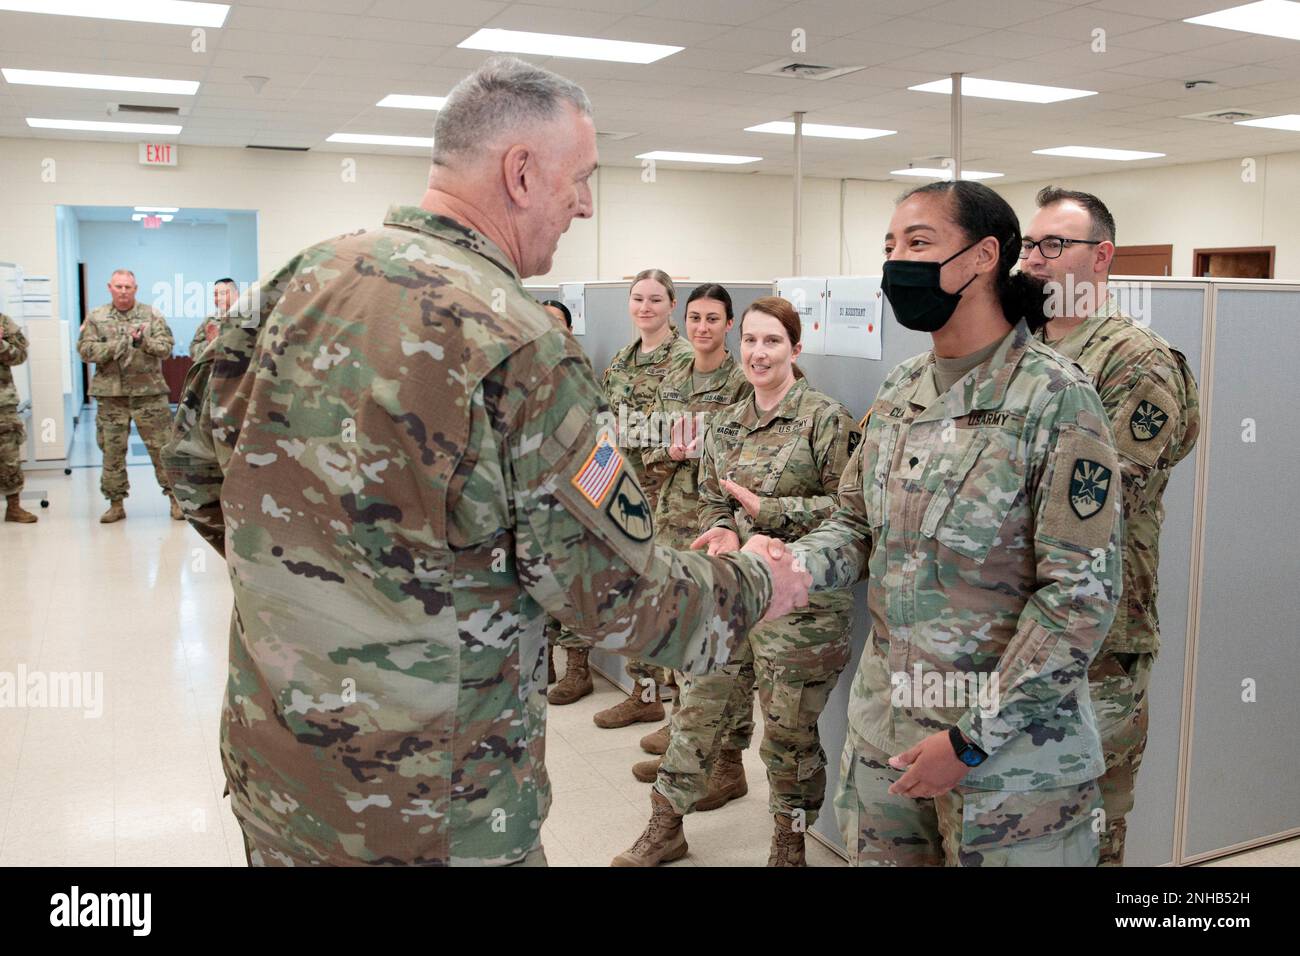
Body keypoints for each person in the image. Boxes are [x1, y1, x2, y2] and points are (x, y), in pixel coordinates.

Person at [163, 55, 810, 868]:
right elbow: (615, 599)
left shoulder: (295, 282)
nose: (584, 204)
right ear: (522, 171)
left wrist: (323, 584)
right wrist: (759, 584)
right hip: (434, 803)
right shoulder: (522, 345)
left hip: (280, 774)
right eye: (580, 179)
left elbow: (190, 472)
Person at [780, 180, 1122, 866]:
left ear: (983, 257)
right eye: (888, 246)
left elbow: (1078, 600)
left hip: (1010, 767)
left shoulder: (1056, 399)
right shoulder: (904, 389)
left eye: (918, 243)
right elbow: (854, 524)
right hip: (887, 737)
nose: (896, 262)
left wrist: (970, 740)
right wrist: (780, 569)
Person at [615, 295, 860, 867]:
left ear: (795, 348)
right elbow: (708, 498)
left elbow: (850, 516)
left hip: (800, 610)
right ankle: (665, 825)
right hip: (729, 596)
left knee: (789, 736)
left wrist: (769, 511)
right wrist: (723, 529)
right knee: (696, 707)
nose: (758, 352)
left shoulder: (826, 419)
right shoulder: (726, 422)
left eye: (772, 340)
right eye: (749, 340)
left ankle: (789, 843)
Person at [1022, 186, 1200, 866]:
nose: (1034, 259)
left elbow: (1100, 499)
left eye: (1052, 246)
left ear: (1101, 258)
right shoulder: (1019, 348)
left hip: (1099, 633)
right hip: (1018, 623)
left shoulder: (1136, 360)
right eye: (1029, 245)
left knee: (1089, 822)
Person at [630, 283, 753, 779]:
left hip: (717, 527)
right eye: (696, 318)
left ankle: (726, 764)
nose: (702, 328)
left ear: (729, 325)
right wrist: (672, 450)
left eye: (713, 319)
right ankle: (684, 737)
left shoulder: (742, 380)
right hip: (669, 521)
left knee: (724, 646)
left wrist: (701, 449)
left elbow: (750, 457)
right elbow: (648, 446)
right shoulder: (673, 376)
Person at [576, 269, 695, 726]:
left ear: (671, 305)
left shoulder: (686, 359)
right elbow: (609, 428)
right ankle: (645, 695)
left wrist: (647, 457)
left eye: (655, 299)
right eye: (638, 298)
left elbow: (686, 438)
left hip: (673, 501)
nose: (645, 307)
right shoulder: (622, 361)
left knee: (675, 604)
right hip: (628, 500)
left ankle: (684, 720)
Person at [77, 269, 182, 523]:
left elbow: (166, 348)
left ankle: (175, 500)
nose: (123, 291)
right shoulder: (96, 317)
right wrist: (116, 346)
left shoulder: (151, 315)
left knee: (162, 449)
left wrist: (144, 342)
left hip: (149, 394)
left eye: (128, 287)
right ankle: (115, 504)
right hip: (111, 396)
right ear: (109, 288)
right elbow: (84, 349)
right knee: (112, 451)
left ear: (136, 289)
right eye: (119, 287)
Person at [0, 311, 37, 523]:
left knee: (8, 455)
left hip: (2, 402)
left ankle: (13, 507)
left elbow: (20, 355)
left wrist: (1, 344)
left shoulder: (4, 322)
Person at [189, 278, 239, 359]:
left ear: (236, 295)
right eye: (215, 295)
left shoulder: (248, 319)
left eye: (223, 293)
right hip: (213, 370)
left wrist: (220, 341)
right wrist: (210, 343)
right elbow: (192, 351)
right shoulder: (210, 320)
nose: (218, 298)